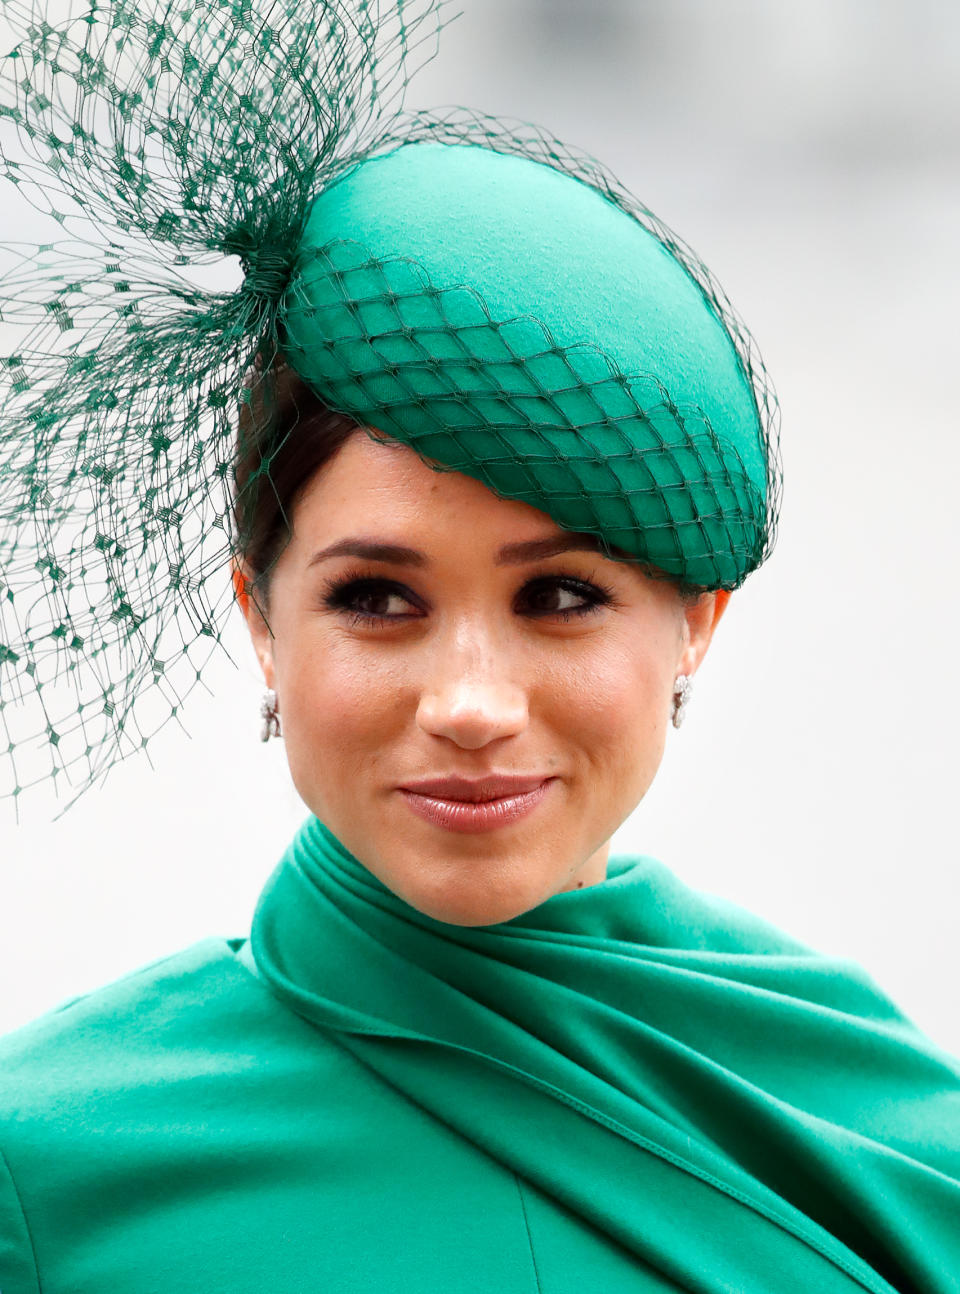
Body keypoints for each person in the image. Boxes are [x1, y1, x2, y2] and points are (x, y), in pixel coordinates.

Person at [1, 2, 959, 1292]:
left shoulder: (884, 1121)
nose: (468, 703)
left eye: (560, 596)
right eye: (378, 601)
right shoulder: (53, 1169)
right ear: (259, 620)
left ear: (696, 624)